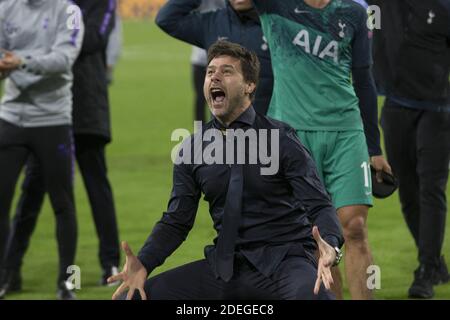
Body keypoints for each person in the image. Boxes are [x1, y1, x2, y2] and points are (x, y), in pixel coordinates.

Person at [107, 40, 344, 300]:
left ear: (249, 86)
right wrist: (144, 262)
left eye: (227, 71)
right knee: (129, 298)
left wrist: (330, 245)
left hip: (284, 262)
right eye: (210, 72)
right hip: (227, 269)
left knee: (313, 297)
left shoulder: (281, 138)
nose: (215, 77)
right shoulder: (193, 149)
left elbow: (320, 204)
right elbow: (177, 220)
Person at [251, 0, 392, 299]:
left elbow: (364, 80)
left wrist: (374, 146)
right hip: (292, 135)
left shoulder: (353, 13)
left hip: (346, 131)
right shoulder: (275, 7)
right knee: (315, 234)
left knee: (353, 227)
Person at [0, 0, 120, 299]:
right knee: (26, 195)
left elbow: (85, 43)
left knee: (89, 189)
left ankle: (103, 266)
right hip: (25, 112)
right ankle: (9, 272)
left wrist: (27, 58)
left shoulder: (81, 7)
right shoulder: (18, 7)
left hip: (77, 107)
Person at [0, 0, 84, 300]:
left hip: (53, 119)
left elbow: (63, 59)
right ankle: (7, 276)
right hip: (10, 117)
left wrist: (19, 62)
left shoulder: (69, 12)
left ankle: (67, 283)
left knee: (63, 204)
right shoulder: (5, 8)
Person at [370, 0, 450, 299]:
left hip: (436, 110)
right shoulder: (381, 5)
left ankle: (426, 270)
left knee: (431, 188)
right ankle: (433, 262)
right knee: (406, 191)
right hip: (395, 106)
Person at [156, 0, 273, 115]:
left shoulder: (276, 24)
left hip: (267, 124)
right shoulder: (212, 23)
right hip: (224, 128)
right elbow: (166, 19)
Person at [190, 0, 225, 122]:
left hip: (220, 62)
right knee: (201, 98)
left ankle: (217, 130)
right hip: (200, 61)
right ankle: (200, 132)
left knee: (219, 98)